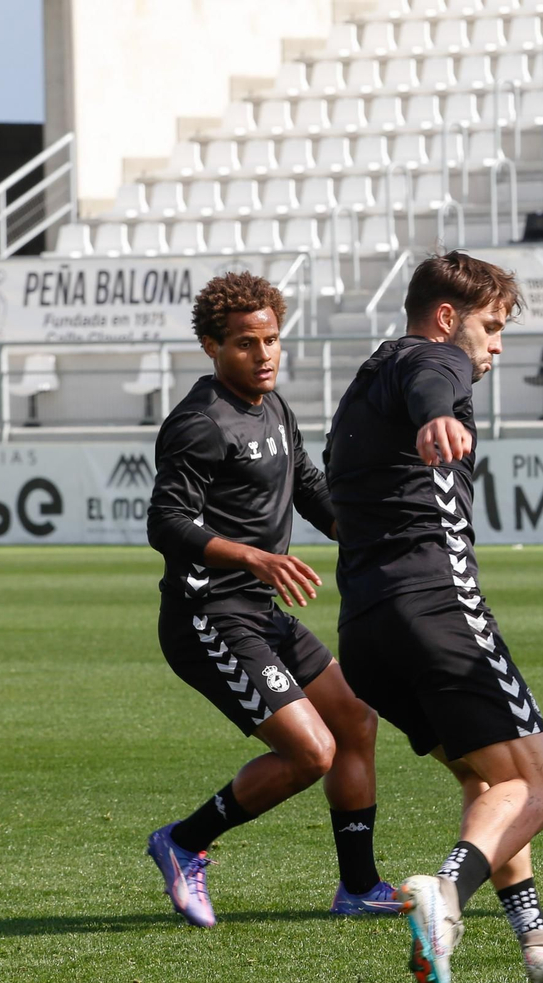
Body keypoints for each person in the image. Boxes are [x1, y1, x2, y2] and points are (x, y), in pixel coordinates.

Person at [325, 251, 543, 983]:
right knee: (540, 786)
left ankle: (539, 940)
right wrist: (436, 414)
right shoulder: (433, 361)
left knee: (489, 783)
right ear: (446, 316)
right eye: (491, 326)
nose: (497, 345)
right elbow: (439, 376)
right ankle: (447, 893)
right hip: (437, 612)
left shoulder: (367, 379)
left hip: (367, 632)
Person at [145, 272, 393, 928]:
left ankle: (359, 887)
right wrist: (255, 556)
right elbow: (166, 523)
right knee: (311, 753)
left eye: (272, 339)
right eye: (246, 343)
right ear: (211, 346)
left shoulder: (273, 405)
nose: (264, 354)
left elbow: (306, 483)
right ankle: (184, 842)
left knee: (355, 719)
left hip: (259, 612)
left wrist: (360, 530)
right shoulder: (199, 423)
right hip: (208, 616)